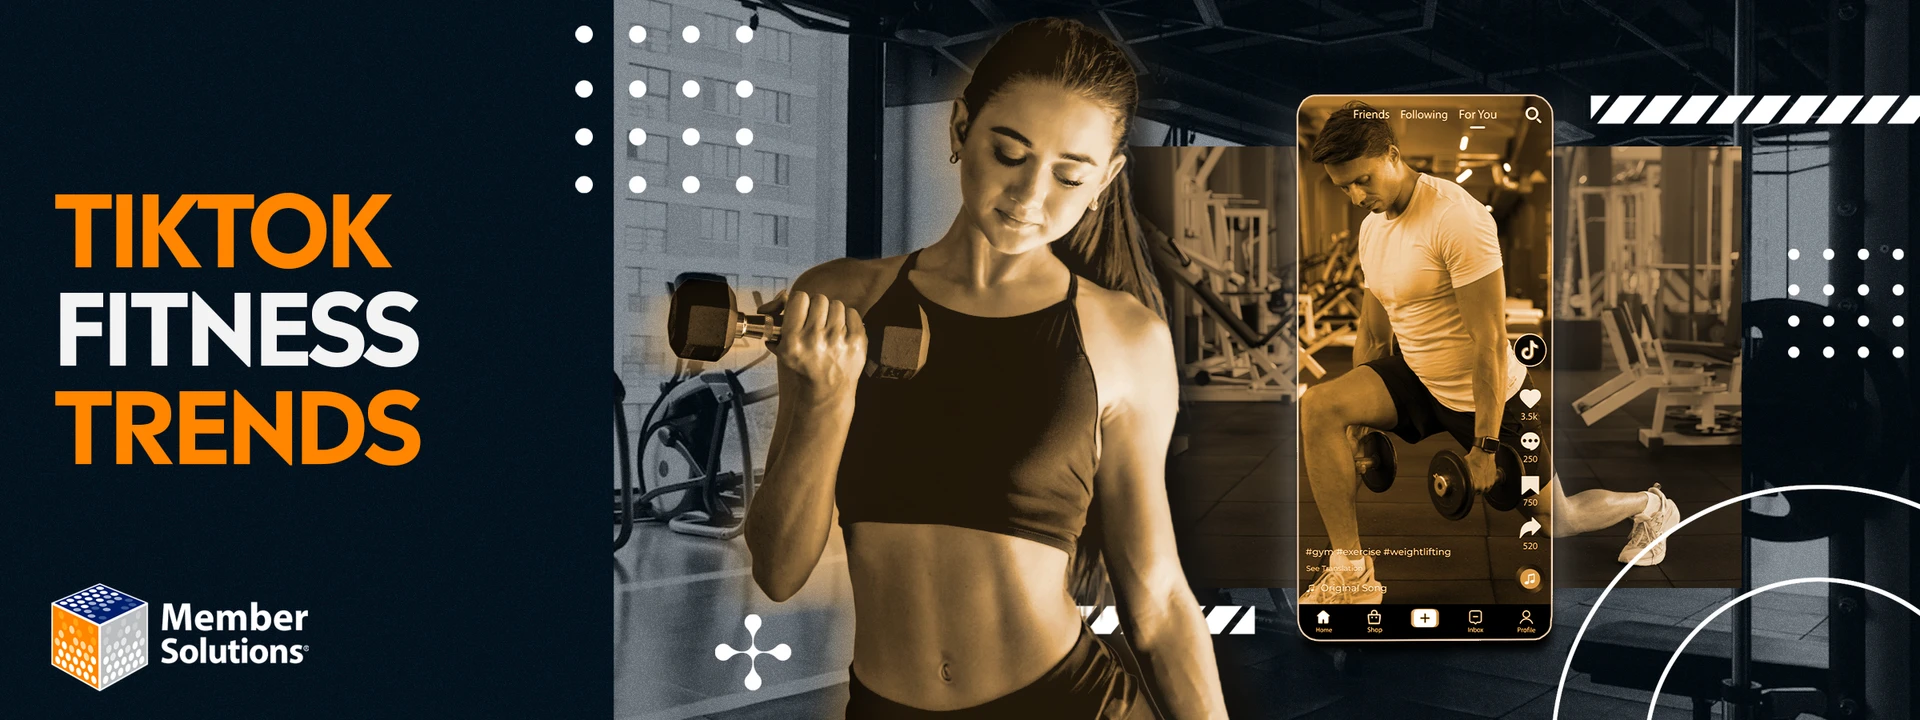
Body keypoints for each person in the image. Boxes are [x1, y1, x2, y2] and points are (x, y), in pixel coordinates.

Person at [742, 18, 1227, 719]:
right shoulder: (840, 299)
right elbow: (779, 571)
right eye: (1008, 153)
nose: (1030, 197)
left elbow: (1155, 597)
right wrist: (827, 402)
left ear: (1107, 180)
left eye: (1069, 175)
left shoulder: (1124, 338)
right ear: (961, 128)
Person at [1298, 101, 1681, 605]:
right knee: (1320, 407)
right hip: (1417, 375)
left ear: (1393, 155)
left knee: (1556, 520)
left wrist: (1481, 445)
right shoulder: (1372, 227)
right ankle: (1350, 573)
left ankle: (1651, 505)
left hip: (1488, 395)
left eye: (1363, 180)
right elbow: (1372, 333)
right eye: (1342, 186)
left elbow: (1489, 343)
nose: (1354, 195)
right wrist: (1361, 426)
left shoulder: (1457, 217)